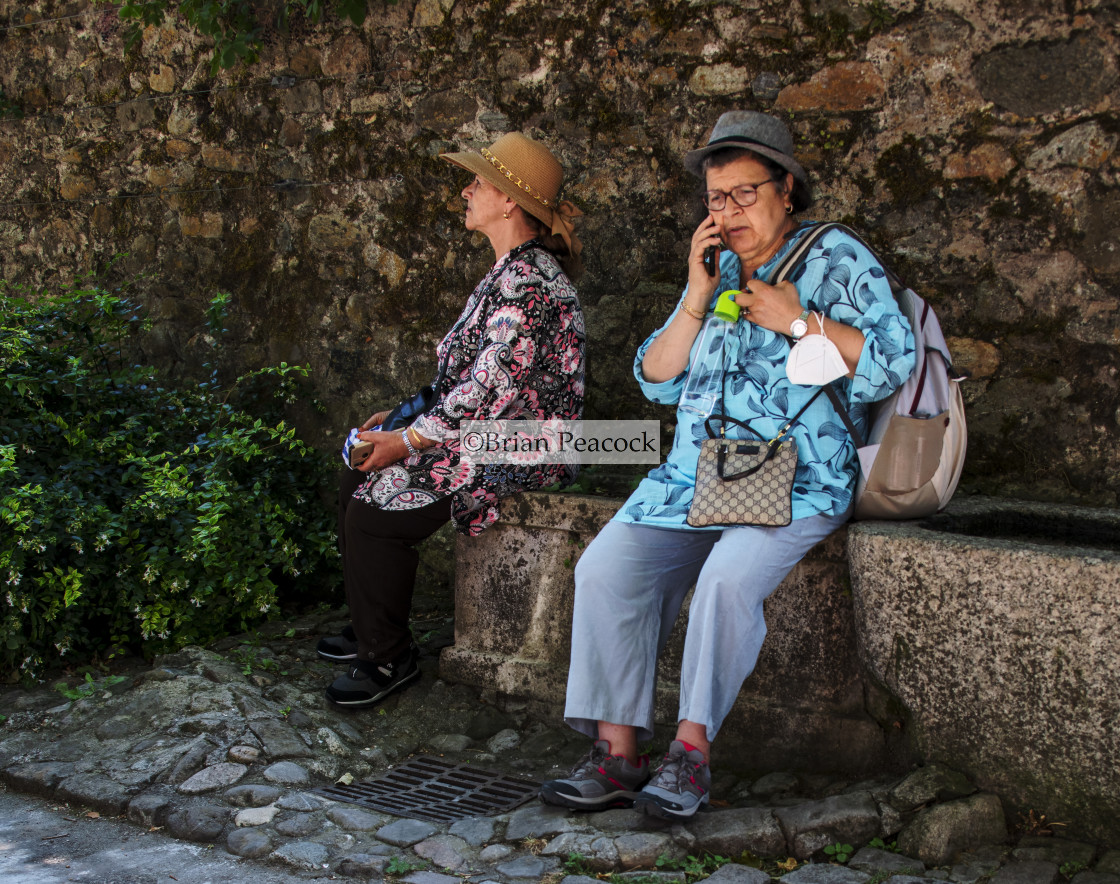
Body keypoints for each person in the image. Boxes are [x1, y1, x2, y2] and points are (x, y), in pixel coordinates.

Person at [539, 111, 916, 819]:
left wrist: (797, 321)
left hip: (796, 476)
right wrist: (694, 295)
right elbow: (655, 377)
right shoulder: (716, 272)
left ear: (787, 191)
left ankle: (690, 756)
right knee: (605, 570)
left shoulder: (835, 257)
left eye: (745, 193)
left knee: (723, 582)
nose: (729, 210)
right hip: (692, 478)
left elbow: (896, 357)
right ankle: (618, 754)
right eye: (717, 198)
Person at [318, 133, 586, 707]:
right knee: (356, 474)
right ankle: (374, 624)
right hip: (489, 431)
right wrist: (398, 419)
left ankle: (387, 658)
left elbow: (488, 387)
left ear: (510, 202)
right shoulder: (509, 271)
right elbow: (462, 379)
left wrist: (408, 441)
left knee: (374, 508)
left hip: (524, 444)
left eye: (478, 182)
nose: (465, 191)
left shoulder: (530, 283)